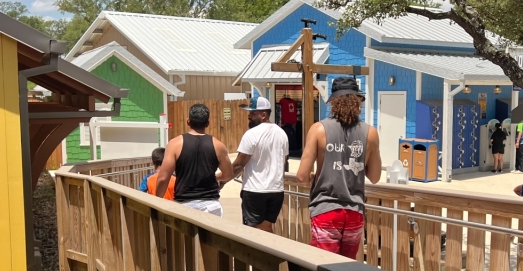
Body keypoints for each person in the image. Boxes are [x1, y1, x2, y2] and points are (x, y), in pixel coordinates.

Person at [297, 76, 382, 258]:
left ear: (333, 102)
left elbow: (302, 176)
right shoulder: (370, 133)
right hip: (354, 211)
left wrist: (315, 176)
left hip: (325, 209)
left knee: (324, 265)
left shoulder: (318, 129)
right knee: (346, 267)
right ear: (358, 101)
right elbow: (375, 177)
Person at [155, 103, 233, 217]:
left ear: (188, 121)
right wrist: (214, 177)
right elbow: (228, 174)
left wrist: (156, 203)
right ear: (207, 123)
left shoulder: (174, 144)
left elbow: (163, 179)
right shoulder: (218, 145)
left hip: (185, 205)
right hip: (211, 206)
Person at [233, 95, 290, 232]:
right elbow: (284, 161)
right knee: (266, 228)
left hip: (255, 190)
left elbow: (239, 164)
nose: (249, 116)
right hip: (276, 190)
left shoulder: (251, 134)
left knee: (253, 233)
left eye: (253, 113)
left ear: (264, 115)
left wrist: (222, 180)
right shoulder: (282, 133)